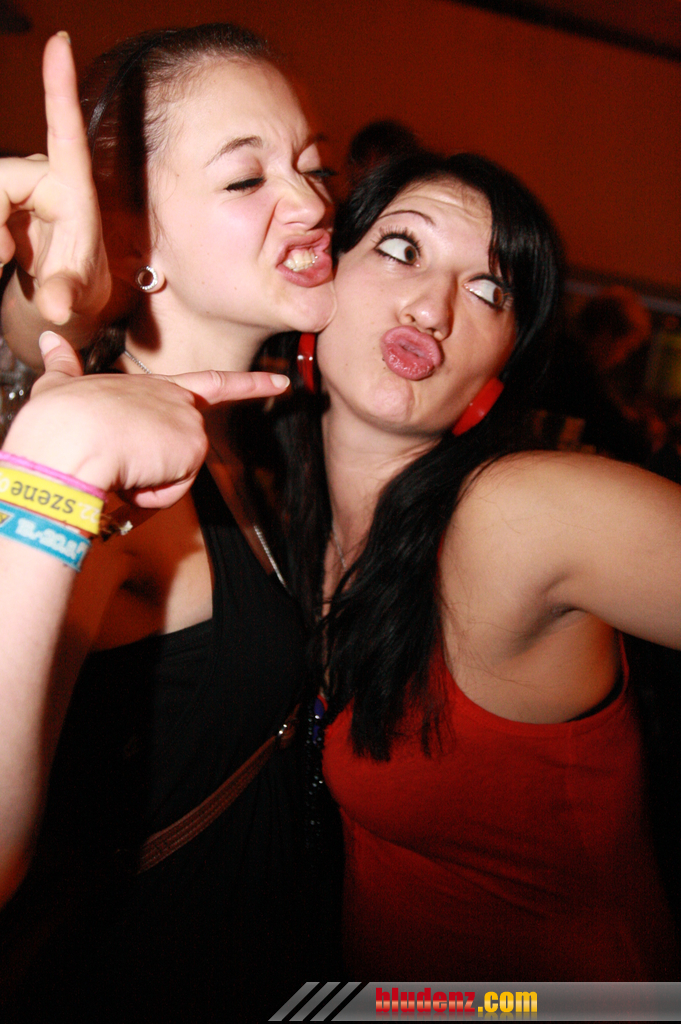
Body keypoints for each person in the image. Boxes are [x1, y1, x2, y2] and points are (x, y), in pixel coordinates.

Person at [267, 150, 681, 980]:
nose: (432, 307)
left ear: (498, 370)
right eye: (401, 249)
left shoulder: (512, 515)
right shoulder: (274, 509)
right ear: (319, 277)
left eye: (490, 290)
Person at [0, 25, 338, 1020]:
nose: (313, 203)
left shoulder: (255, 438)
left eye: (314, 165)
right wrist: (54, 474)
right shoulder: (103, 477)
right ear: (135, 246)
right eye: (247, 178)